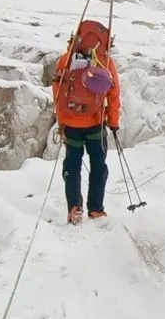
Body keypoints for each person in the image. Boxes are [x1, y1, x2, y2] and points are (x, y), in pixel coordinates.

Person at [52, 20, 122, 224]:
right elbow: (114, 94)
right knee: (99, 165)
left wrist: (63, 119)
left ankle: (75, 207)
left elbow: (58, 91)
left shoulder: (66, 60)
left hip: (72, 125)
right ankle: (96, 209)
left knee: (72, 166)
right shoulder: (106, 62)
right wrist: (113, 121)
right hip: (96, 123)